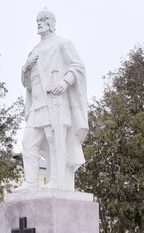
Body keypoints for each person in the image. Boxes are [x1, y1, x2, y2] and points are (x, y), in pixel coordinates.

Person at [12, 8, 89, 192]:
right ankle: (31, 182)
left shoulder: (62, 43)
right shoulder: (34, 51)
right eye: (38, 20)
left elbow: (78, 67)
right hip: (36, 106)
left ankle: (57, 180)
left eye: (44, 19)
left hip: (54, 102)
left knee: (56, 141)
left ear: (52, 24)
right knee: (28, 143)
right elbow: (27, 84)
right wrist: (25, 68)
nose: (39, 23)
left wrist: (64, 82)